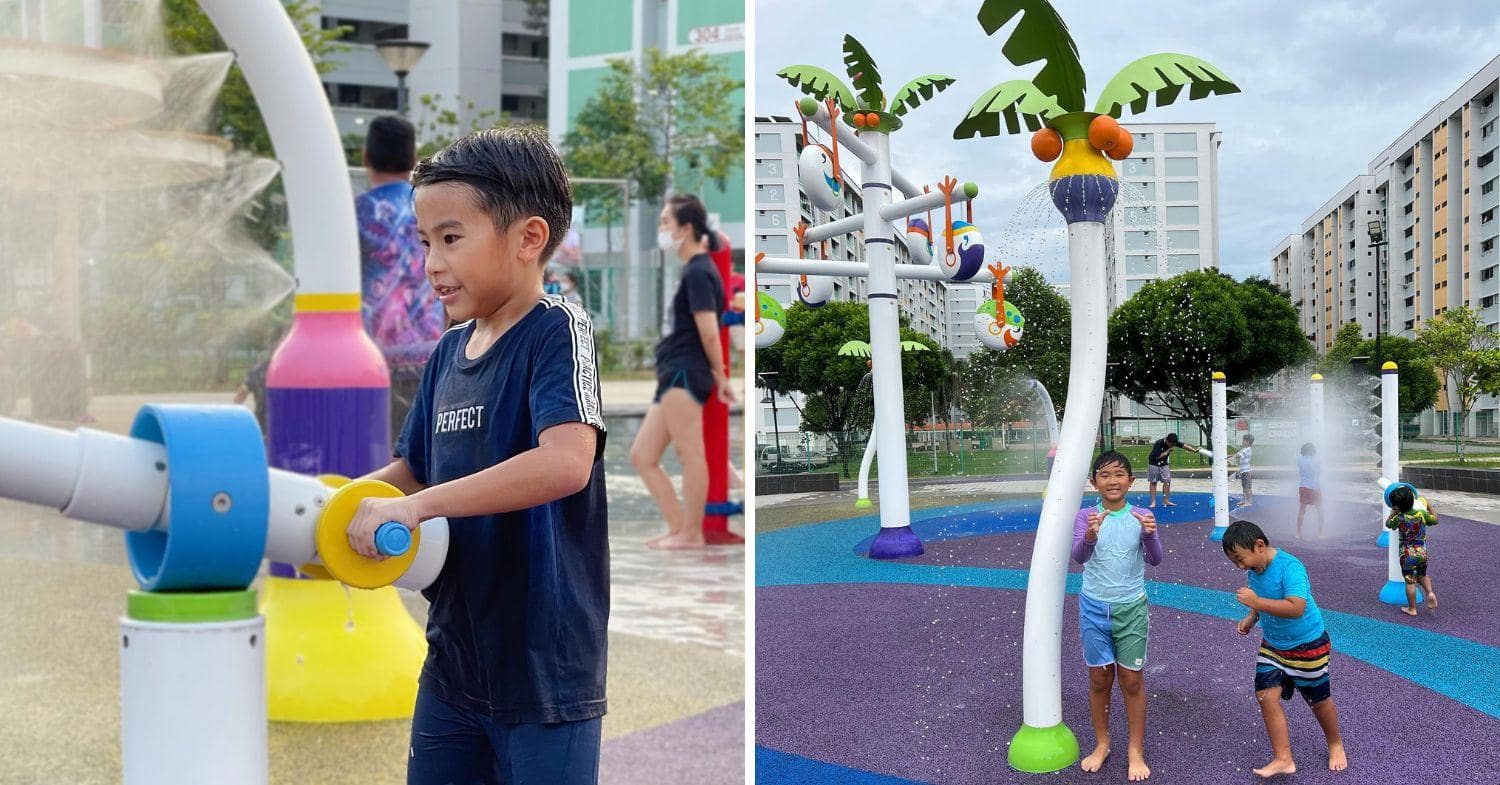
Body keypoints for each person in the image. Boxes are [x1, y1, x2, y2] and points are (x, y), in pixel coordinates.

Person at [344, 127, 608, 785]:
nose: (432, 262)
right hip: (455, 659)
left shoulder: (556, 332)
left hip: (546, 674)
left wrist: (418, 505)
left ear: (528, 238)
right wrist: (333, 508)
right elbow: (412, 467)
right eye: (424, 241)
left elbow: (565, 461)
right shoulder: (445, 356)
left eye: (451, 239)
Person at [629, 194, 737, 550]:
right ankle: (679, 529)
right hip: (674, 373)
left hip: (685, 373)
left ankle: (692, 534)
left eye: (665, 223)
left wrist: (721, 379)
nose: (661, 229)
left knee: (690, 454)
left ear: (685, 228)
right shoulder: (696, 270)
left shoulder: (699, 271)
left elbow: (708, 331)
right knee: (642, 456)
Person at [1222, 521, 1346, 777]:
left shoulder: (1290, 568)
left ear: (1259, 545)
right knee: (1265, 696)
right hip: (1274, 647)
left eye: (1240, 559)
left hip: (1308, 646)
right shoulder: (1255, 571)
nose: (1239, 566)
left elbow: (1295, 607)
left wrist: (1256, 602)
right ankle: (1283, 758)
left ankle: (1335, 743)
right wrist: (1251, 615)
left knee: (1318, 702)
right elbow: (1261, 599)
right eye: (1234, 561)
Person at [1071, 451, 1161, 781]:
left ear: (1131, 481)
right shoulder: (1085, 516)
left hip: (1131, 608)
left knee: (1132, 680)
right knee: (1099, 679)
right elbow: (1079, 556)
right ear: (1094, 482)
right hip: (1094, 607)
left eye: (1119, 474)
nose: (1112, 481)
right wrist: (1090, 535)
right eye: (1105, 475)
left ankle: (1135, 750)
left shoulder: (1141, 515)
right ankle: (1102, 743)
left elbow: (1156, 560)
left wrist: (1150, 534)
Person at [356, 115, 446, 442]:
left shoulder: (358, 211)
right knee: (424, 456)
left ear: (365, 157)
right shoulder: (431, 210)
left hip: (372, 360)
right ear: (412, 160)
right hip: (431, 355)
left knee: (379, 454)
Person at [1384, 484, 1440, 617]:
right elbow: (1435, 520)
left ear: (1397, 507)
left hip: (1407, 555)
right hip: (1422, 552)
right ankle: (1430, 593)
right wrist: (1430, 506)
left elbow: (1388, 524)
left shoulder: (1399, 518)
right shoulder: (1421, 514)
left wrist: (1393, 513)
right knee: (1423, 575)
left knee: (1410, 581)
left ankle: (1412, 608)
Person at [1145, 433, 1199, 507]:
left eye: (1174, 444)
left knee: (1167, 481)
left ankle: (1166, 501)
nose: (1173, 445)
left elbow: (1183, 446)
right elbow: (1157, 457)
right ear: (1167, 440)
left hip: (1164, 463)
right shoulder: (1159, 443)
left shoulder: (1173, 442)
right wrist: (1168, 451)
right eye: (1172, 444)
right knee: (1153, 482)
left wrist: (1194, 450)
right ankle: (1153, 502)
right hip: (1153, 462)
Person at [1296, 443, 1324, 538]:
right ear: (1313, 450)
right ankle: (1320, 534)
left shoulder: (1300, 460)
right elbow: (1318, 472)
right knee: (1320, 510)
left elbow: (1300, 471)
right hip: (1315, 487)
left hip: (1304, 486)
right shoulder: (1317, 460)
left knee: (1301, 511)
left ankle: (1298, 533)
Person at [1232, 433, 1255, 507]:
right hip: (1243, 471)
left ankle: (1249, 501)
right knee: (1244, 487)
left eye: (1244, 440)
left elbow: (1238, 456)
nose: (1242, 442)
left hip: (1247, 472)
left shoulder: (1248, 450)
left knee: (1248, 487)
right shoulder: (1243, 449)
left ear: (1248, 442)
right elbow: (1237, 454)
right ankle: (1245, 500)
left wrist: (1228, 457)